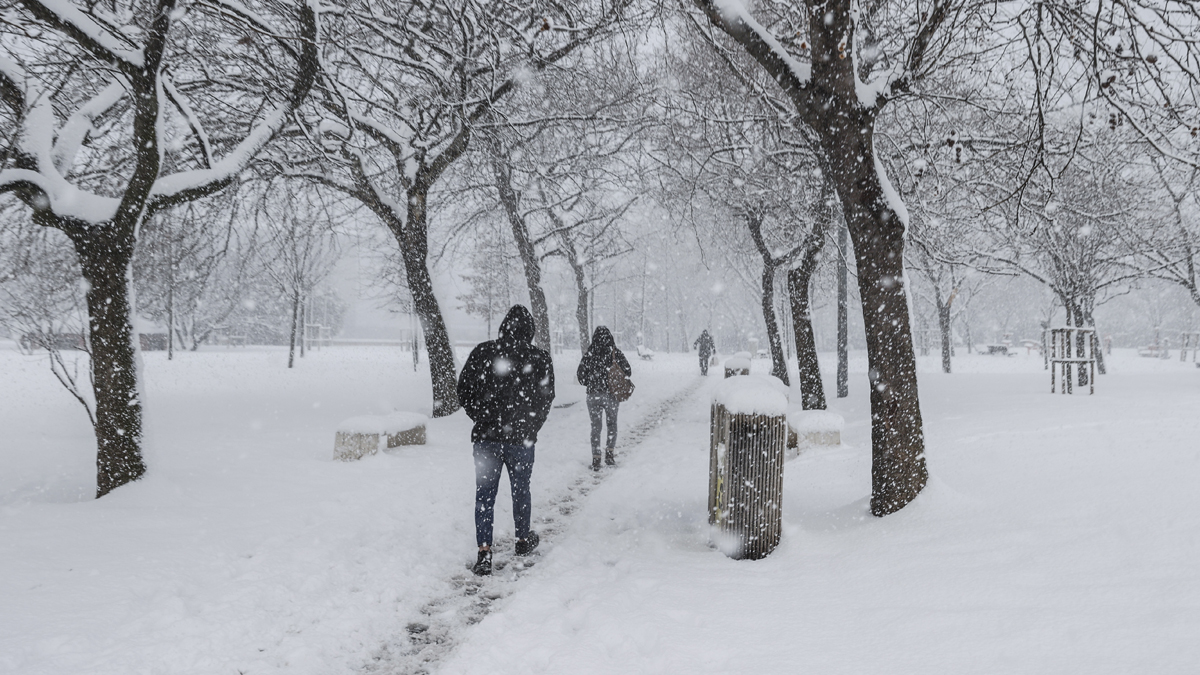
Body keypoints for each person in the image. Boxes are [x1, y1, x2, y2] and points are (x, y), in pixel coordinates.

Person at [457, 305, 555, 577]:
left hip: (487, 438)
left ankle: (485, 552)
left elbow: (463, 390)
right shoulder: (538, 358)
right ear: (530, 331)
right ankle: (522, 540)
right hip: (520, 440)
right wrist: (530, 426)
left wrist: (481, 416)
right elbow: (546, 397)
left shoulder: (483, 352)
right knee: (521, 490)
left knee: (484, 495)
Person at [576, 326, 631, 471]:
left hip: (593, 395)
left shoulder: (590, 353)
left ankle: (596, 457)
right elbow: (628, 371)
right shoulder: (615, 353)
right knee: (612, 424)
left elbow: (580, 376)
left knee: (596, 427)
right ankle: (610, 454)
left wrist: (592, 381)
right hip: (611, 395)